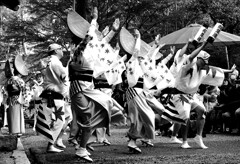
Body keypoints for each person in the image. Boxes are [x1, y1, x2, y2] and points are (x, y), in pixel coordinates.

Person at [163, 34, 236, 149]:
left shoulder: (204, 69)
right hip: (179, 95)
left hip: (191, 96)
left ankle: (198, 136)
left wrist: (230, 71)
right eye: (204, 61)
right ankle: (184, 141)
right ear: (199, 59)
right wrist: (204, 45)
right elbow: (191, 56)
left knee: (202, 111)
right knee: (185, 117)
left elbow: (217, 70)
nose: (206, 63)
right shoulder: (187, 67)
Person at [68, 7, 117, 163]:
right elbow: (89, 39)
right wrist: (94, 20)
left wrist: (113, 32)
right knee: (88, 119)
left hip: (88, 90)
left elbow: (100, 44)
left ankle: (81, 141)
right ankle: (81, 147)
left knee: (107, 104)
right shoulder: (77, 53)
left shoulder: (89, 56)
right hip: (78, 90)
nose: (91, 40)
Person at [35, 43, 69, 153]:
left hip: (53, 96)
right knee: (58, 121)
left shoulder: (50, 61)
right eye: (60, 49)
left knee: (67, 118)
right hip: (54, 97)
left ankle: (55, 141)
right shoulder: (55, 62)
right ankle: (50, 145)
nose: (62, 50)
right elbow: (64, 77)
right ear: (55, 51)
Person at [5, 54, 29, 136]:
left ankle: (12, 130)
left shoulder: (10, 79)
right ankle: (17, 130)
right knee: (18, 114)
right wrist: (26, 100)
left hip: (11, 98)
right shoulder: (20, 80)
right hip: (18, 98)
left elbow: (6, 89)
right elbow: (24, 90)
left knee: (12, 114)